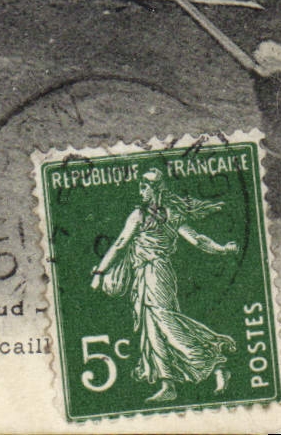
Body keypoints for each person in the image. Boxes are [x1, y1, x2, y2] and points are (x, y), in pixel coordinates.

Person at [91, 168, 238, 402]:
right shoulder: (170, 215)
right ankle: (167, 383)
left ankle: (215, 363)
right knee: (152, 328)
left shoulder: (143, 215)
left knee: (166, 324)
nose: (141, 190)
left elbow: (120, 244)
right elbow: (197, 239)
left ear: (157, 189)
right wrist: (221, 249)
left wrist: (100, 271)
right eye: (141, 186)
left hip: (155, 274)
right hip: (147, 275)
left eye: (145, 186)